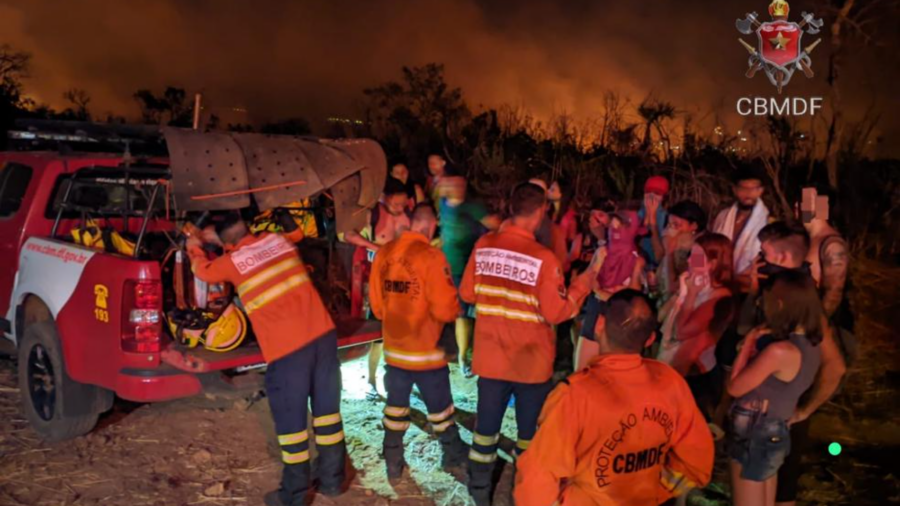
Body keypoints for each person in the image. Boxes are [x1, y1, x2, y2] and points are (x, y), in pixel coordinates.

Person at [186, 212, 346, 506]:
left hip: (288, 351)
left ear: (227, 244)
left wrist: (194, 244)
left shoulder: (232, 263)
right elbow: (295, 236)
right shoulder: (278, 242)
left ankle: (293, 497)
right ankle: (333, 481)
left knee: (292, 427)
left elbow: (202, 271)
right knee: (328, 414)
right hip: (323, 338)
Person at [459, 182, 596, 506]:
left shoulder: (484, 245)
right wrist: (582, 285)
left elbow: (467, 294)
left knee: (485, 432)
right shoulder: (542, 258)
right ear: (539, 213)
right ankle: (525, 492)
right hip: (530, 365)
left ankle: (479, 490)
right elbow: (557, 312)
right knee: (528, 438)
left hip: (491, 359)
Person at [514, 290, 715, 506]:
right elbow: (697, 460)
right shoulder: (669, 382)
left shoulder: (574, 395)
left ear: (599, 325)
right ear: (650, 339)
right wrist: (653, 488)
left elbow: (539, 477)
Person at [368, 204, 468, 479]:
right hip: (426, 351)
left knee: (395, 408)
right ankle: (453, 455)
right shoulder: (431, 257)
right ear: (431, 225)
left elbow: (377, 307)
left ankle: (392, 459)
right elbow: (445, 309)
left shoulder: (384, 253)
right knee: (441, 410)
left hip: (395, 351)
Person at [727, 271, 823, 506]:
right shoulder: (812, 346)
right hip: (775, 428)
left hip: (753, 429)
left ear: (779, 304)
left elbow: (734, 387)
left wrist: (749, 341)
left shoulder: (780, 351)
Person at [343, 177, 411, 395]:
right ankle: (372, 380)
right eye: (395, 204)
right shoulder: (373, 214)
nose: (399, 208)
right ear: (385, 198)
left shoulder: (407, 216)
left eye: (403, 204)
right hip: (377, 281)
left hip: (402, 281)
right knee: (378, 333)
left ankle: (403, 375)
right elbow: (348, 234)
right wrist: (375, 247)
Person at [656, 233, 735, 417]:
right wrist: (681, 294)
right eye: (691, 254)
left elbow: (681, 332)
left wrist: (690, 295)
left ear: (713, 263)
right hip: (671, 367)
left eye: (696, 257)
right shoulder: (693, 283)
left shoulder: (720, 296)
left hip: (694, 377)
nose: (689, 260)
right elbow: (660, 317)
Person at [438, 176, 500, 376]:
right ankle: (456, 353)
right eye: (452, 184)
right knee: (451, 312)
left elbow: (494, 224)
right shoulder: (443, 204)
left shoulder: (473, 207)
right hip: (446, 266)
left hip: (467, 266)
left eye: (460, 184)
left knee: (464, 314)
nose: (457, 188)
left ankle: (465, 356)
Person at [712, 167, 770, 291]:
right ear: (734, 189)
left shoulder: (768, 222)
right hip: (717, 285)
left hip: (747, 288)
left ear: (761, 190)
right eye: (743, 188)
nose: (748, 193)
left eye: (754, 189)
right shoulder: (722, 217)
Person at [656, 200, 707, 300]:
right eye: (669, 225)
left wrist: (669, 252)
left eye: (676, 225)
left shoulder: (699, 251)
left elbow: (673, 288)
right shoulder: (678, 244)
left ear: (694, 226)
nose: (671, 230)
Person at [639, 175, 670, 268]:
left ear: (663, 197)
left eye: (656, 193)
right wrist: (646, 219)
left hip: (656, 267)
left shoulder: (668, 218)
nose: (651, 196)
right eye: (648, 192)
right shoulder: (638, 214)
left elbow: (661, 254)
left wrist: (652, 218)